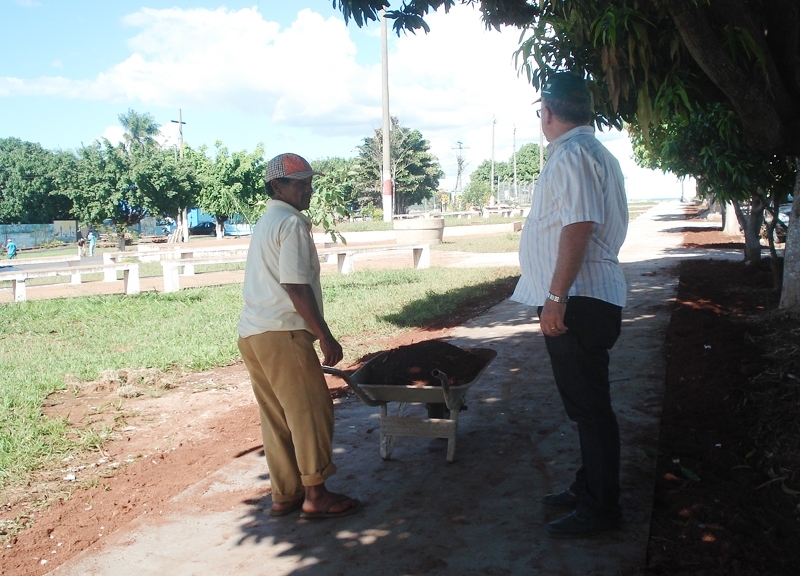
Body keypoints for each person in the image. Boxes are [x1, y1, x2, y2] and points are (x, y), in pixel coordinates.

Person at [511, 73, 628, 538]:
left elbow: (577, 226)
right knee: (587, 407)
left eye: (542, 112)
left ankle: (601, 508)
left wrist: (555, 298)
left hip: (578, 300)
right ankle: (589, 488)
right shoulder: (590, 152)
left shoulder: (574, 155)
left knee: (591, 410)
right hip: (583, 298)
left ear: (548, 113)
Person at [237, 153, 361, 519]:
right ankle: (315, 494)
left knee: (276, 417)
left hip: (253, 335)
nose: (307, 188)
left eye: (309, 181)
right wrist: (325, 336)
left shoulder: (267, 220)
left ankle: (285, 494)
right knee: (311, 412)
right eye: (299, 183)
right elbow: (294, 284)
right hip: (282, 333)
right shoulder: (290, 223)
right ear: (277, 186)